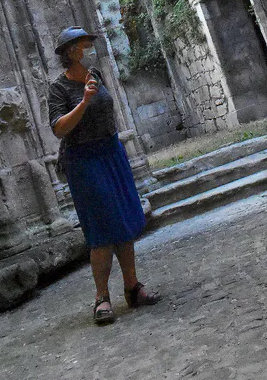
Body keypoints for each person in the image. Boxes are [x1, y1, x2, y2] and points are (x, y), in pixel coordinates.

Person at [48, 26, 161, 323]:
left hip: (111, 152)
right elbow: (59, 128)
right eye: (85, 44)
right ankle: (101, 297)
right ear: (72, 50)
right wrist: (83, 102)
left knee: (122, 219)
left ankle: (132, 287)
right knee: (100, 229)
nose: (89, 48)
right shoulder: (58, 88)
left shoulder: (95, 73)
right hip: (84, 160)